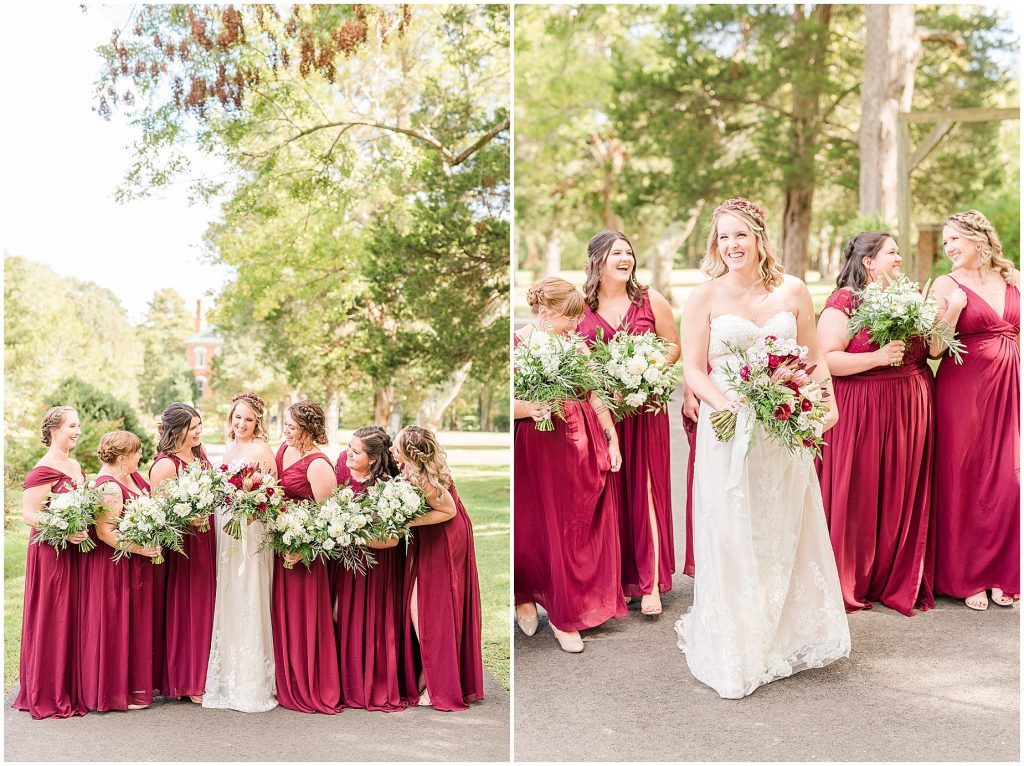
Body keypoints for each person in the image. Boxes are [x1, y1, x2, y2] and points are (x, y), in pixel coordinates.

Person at [674, 197, 850, 699]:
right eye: (723, 237)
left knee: (780, 525)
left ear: (758, 238)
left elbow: (814, 357)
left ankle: (780, 630)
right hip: (727, 427)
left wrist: (827, 402)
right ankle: (735, 642)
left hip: (782, 429)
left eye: (740, 236)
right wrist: (722, 403)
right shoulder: (703, 296)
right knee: (732, 528)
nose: (731, 245)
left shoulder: (793, 290)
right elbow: (691, 368)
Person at [815, 232, 934, 615]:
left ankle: (894, 574)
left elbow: (931, 347)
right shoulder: (845, 302)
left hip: (910, 408)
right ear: (868, 261)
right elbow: (826, 360)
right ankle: (853, 575)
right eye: (893, 252)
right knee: (860, 490)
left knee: (901, 489)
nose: (900, 257)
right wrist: (879, 357)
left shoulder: (909, 295)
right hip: (862, 409)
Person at [514, 277, 627, 653]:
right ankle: (528, 598)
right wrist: (528, 408)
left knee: (576, 529)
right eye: (569, 317)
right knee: (537, 527)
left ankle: (573, 608)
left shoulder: (575, 345)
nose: (576, 325)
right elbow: (509, 402)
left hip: (581, 441)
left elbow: (594, 394)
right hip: (538, 447)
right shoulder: (517, 344)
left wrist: (610, 436)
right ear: (545, 312)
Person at [577, 231, 679, 615]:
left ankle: (650, 583)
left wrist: (643, 374)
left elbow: (672, 346)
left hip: (645, 410)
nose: (626, 258)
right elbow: (576, 364)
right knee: (608, 493)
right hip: (602, 414)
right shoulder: (581, 307)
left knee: (647, 489)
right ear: (597, 260)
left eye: (629, 252)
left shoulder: (651, 299)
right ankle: (616, 580)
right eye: (616, 253)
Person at [929, 209, 1020, 610]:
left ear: (977, 238)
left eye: (954, 239)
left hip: (1009, 389)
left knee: (1007, 478)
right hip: (963, 391)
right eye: (945, 241)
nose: (948, 248)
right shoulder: (945, 283)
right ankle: (968, 576)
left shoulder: (1011, 278)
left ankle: (1002, 572)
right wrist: (952, 309)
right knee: (965, 477)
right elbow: (933, 348)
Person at [394, 426, 484, 711]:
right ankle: (428, 675)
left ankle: (439, 684)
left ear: (410, 453)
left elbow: (448, 511)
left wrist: (407, 523)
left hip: (445, 538)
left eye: (397, 447)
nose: (394, 451)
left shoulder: (423, 479)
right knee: (420, 608)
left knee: (426, 609)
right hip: (432, 537)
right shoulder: (411, 469)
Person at [203, 392, 278, 712]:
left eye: (248, 419)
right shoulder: (228, 445)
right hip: (226, 526)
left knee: (249, 593)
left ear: (257, 421)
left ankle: (252, 680)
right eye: (238, 418)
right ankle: (226, 675)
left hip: (252, 527)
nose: (242, 424)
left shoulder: (262, 449)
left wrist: (251, 507)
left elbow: (273, 492)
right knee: (228, 592)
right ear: (230, 419)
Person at [13, 407, 89, 719]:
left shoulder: (73, 463)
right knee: (53, 616)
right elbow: (29, 514)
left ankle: (69, 685)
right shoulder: (42, 469)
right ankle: (47, 689)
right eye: (72, 426)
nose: (78, 431)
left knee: (71, 615)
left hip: (75, 551)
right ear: (54, 429)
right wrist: (64, 529)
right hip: (51, 553)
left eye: (79, 425)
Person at [81, 431, 161, 710]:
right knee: (118, 622)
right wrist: (140, 548)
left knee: (136, 622)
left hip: (136, 563)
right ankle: (115, 691)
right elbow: (105, 533)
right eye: (138, 452)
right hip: (116, 566)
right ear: (124, 458)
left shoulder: (134, 477)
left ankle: (134, 685)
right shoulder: (109, 488)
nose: (142, 456)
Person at [334, 426, 411, 711]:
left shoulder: (387, 486)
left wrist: (348, 531)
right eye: (348, 447)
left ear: (374, 458)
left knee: (373, 620)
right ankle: (344, 682)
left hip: (376, 564)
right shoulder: (340, 468)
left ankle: (370, 683)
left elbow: (392, 538)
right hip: (343, 562)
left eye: (356, 451)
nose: (348, 454)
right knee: (340, 614)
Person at [271, 400, 341, 714]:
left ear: (309, 429)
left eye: (291, 426)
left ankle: (309, 682)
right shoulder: (283, 451)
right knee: (280, 615)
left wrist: (302, 549)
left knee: (304, 616)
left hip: (306, 554)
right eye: (285, 424)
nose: (285, 430)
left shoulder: (318, 465)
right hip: (279, 546)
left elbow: (330, 519)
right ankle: (283, 678)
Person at [149, 402, 215, 703]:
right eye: (194, 427)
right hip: (184, 547)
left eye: (200, 425)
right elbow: (159, 513)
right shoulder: (167, 464)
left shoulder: (199, 454)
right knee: (190, 608)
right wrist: (188, 519)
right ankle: (189, 680)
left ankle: (207, 672)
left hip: (207, 539)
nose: (199, 431)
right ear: (178, 430)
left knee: (207, 607)